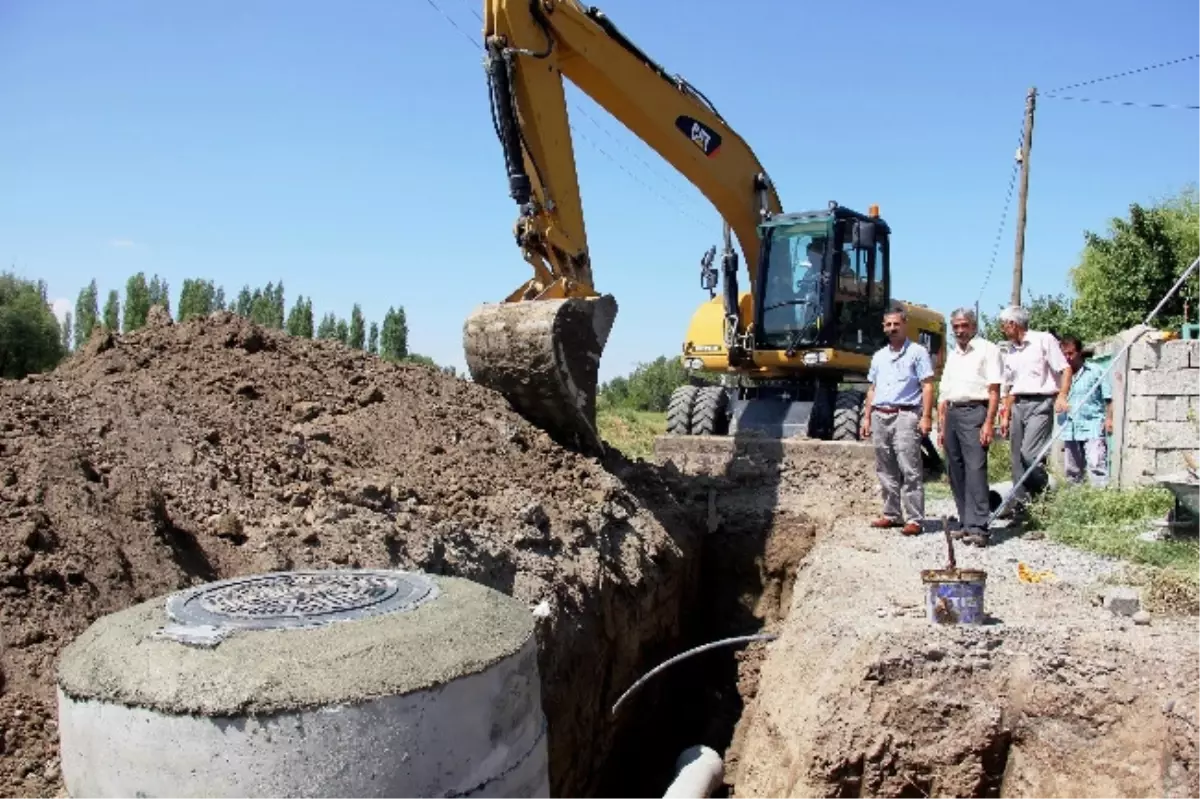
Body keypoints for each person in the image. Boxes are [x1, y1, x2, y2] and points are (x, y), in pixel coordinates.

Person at [860, 305, 936, 535]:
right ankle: (891, 514)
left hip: (906, 414)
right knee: (885, 468)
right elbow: (872, 388)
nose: (892, 328)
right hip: (880, 414)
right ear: (884, 327)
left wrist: (926, 416)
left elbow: (927, 385)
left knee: (910, 467)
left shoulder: (917, 353)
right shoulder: (879, 356)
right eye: (888, 324)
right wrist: (866, 417)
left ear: (904, 325)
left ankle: (915, 519)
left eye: (896, 324)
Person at [937, 308, 1002, 546]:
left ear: (973, 326)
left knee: (975, 469)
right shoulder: (953, 354)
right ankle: (965, 523)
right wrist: (942, 426)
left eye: (964, 326)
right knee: (956, 469)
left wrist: (988, 423)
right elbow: (944, 392)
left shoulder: (988, 349)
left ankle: (980, 527)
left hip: (976, 410)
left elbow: (994, 390)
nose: (960, 331)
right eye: (955, 327)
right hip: (953, 412)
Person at [997, 305, 1072, 513]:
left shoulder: (1043, 340)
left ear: (1013, 324)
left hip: (1041, 403)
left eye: (1004, 325)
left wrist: (1062, 395)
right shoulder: (1011, 350)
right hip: (1017, 404)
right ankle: (1022, 508)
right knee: (1016, 459)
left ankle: (1044, 492)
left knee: (1029, 455)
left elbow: (1065, 369)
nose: (1003, 330)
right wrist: (1004, 416)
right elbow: (1010, 386)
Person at [1058, 335, 1113, 487]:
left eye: (1071, 354)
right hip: (1069, 427)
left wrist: (1109, 419)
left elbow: (1108, 397)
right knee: (1072, 470)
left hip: (1092, 424)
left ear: (1080, 352)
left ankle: (1100, 500)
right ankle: (1076, 501)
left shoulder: (1096, 371)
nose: (1067, 358)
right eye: (1064, 354)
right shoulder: (1061, 376)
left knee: (1097, 465)